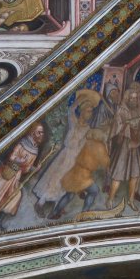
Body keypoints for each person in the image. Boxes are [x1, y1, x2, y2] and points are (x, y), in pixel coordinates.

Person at [32, 89, 98, 217]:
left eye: (91, 112)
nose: (90, 114)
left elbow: (83, 146)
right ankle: (40, 203)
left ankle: (57, 206)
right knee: (55, 177)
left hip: (74, 159)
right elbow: (71, 110)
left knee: (65, 182)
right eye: (88, 111)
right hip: (66, 155)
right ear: (82, 111)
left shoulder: (88, 129)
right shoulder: (74, 121)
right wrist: (79, 100)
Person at [50, 128, 110, 219]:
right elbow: (106, 162)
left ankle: (55, 213)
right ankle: (84, 214)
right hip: (84, 175)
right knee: (94, 191)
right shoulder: (99, 147)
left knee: (69, 194)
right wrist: (106, 148)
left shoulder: (88, 143)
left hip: (75, 171)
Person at [107, 89, 140, 211]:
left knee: (135, 174)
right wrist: (128, 123)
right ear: (127, 98)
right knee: (118, 173)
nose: (134, 100)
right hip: (124, 146)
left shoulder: (138, 111)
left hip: (134, 145)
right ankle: (110, 199)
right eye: (132, 98)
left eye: (136, 98)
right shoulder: (121, 110)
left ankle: (131, 200)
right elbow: (116, 127)